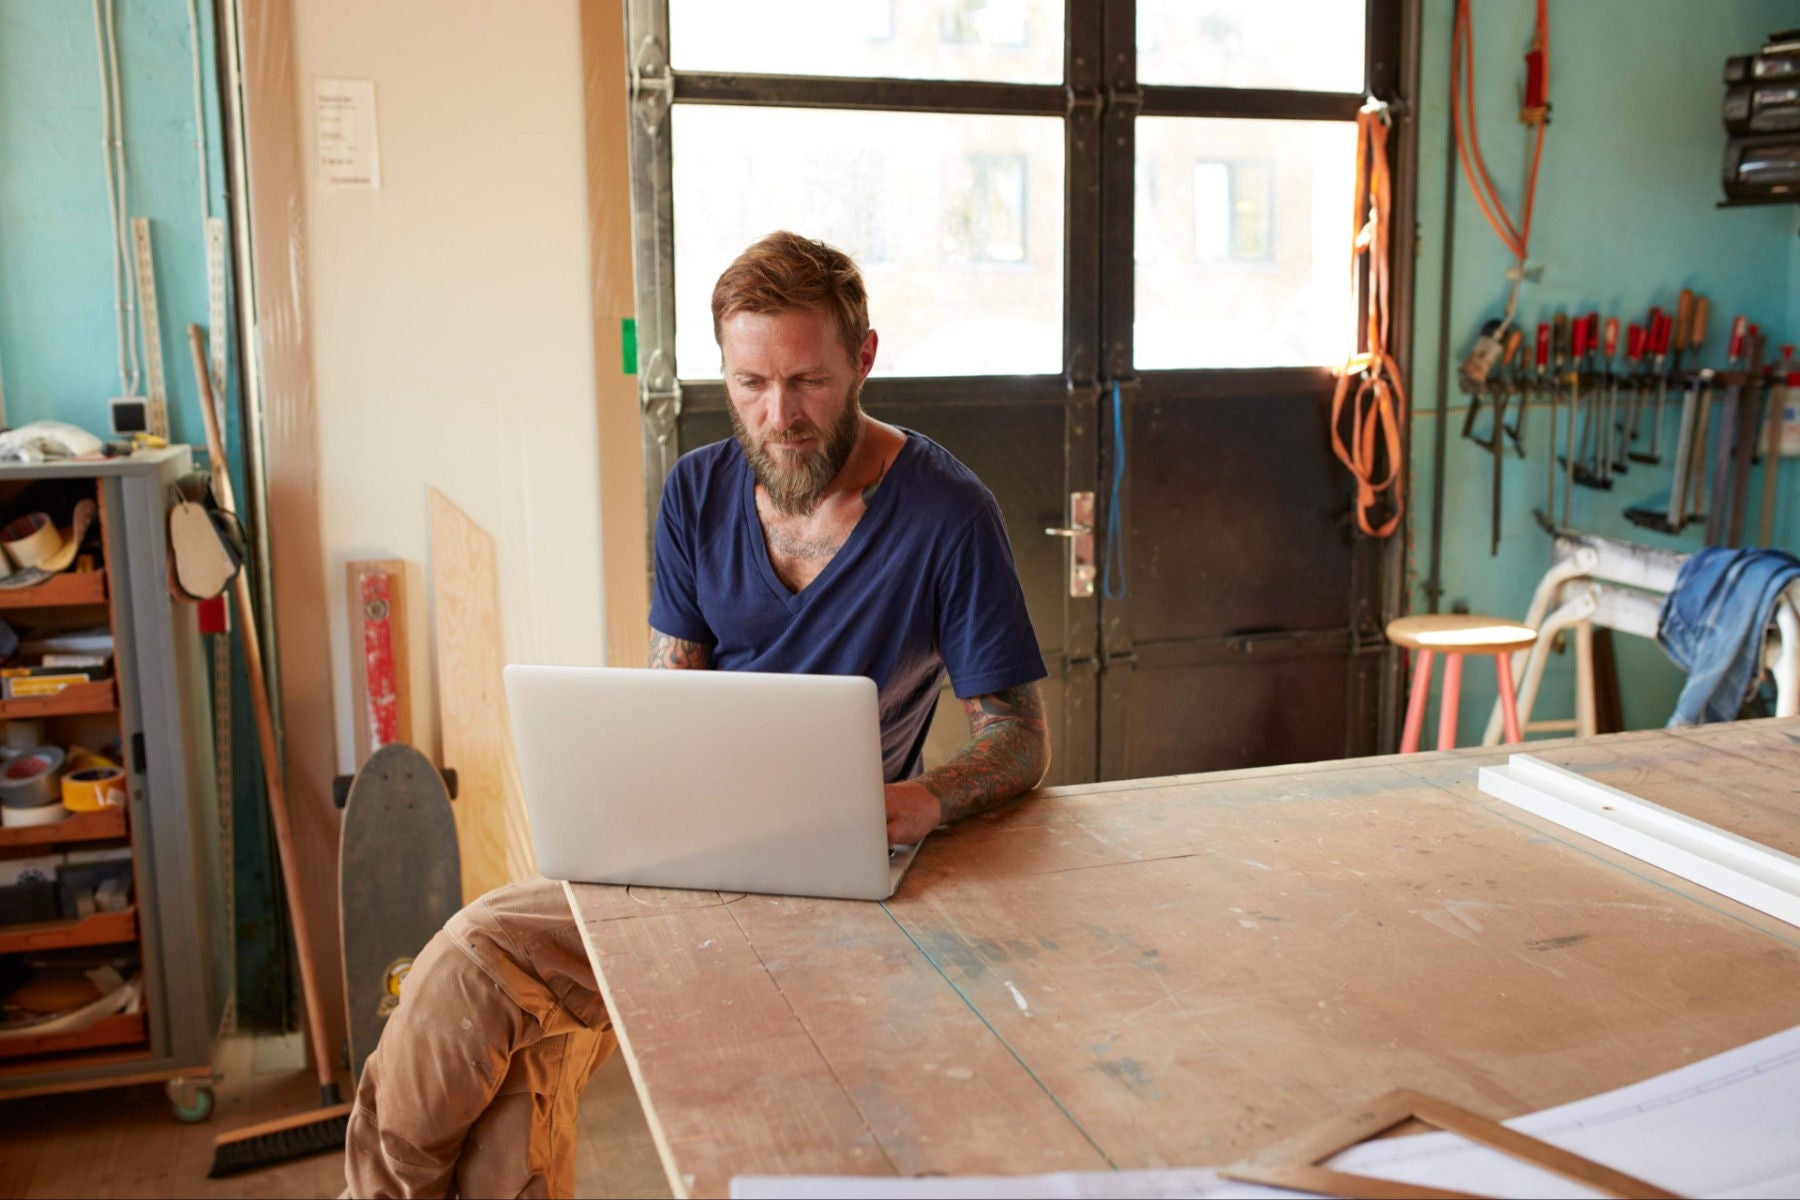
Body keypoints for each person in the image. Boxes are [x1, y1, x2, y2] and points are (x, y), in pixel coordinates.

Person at [343, 231, 1050, 1198]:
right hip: (684, 859)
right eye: (751, 383)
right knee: (473, 972)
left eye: (808, 381)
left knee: (514, 1031)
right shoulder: (696, 490)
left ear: (865, 360)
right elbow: (667, 694)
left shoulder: (947, 514)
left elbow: (1019, 739)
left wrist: (922, 799)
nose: (779, 415)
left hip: (834, 874)